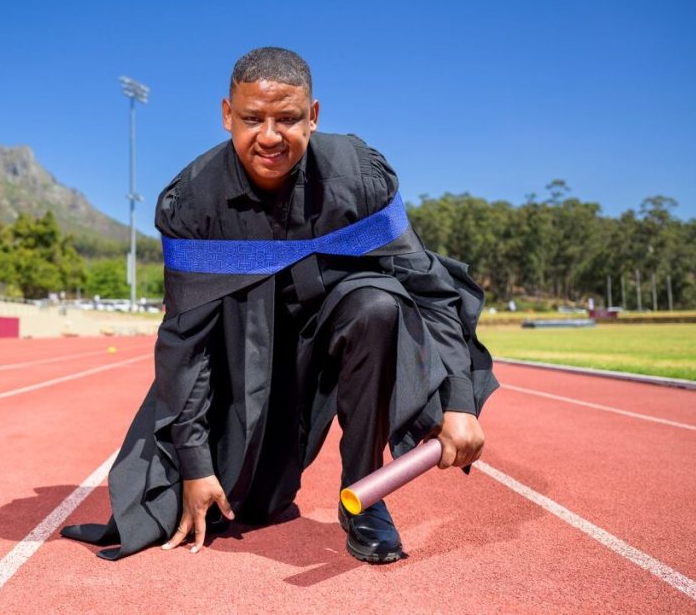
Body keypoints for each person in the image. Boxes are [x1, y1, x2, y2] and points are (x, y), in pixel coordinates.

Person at [62, 47, 498, 563]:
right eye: (252, 119)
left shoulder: (359, 176)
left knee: (379, 307)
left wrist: (460, 403)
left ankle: (363, 497)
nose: (269, 136)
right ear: (227, 115)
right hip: (240, 350)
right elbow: (187, 344)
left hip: (341, 324)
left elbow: (428, 286)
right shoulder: (194, 204)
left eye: (287, 118)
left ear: (313, 116)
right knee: (250, 507)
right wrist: (197, 466)